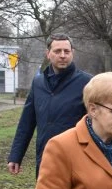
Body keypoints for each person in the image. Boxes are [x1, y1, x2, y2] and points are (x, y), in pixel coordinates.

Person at [8, 33, 92, 177]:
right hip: (45, 157)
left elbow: (97, 124)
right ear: (48, 54)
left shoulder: (88, 83)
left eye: (66, 51)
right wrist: (16, 155)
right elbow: (26, 122)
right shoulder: (38, 83)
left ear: (72, 53)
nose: (62, 55)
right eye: (57, 51)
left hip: (77, 159)